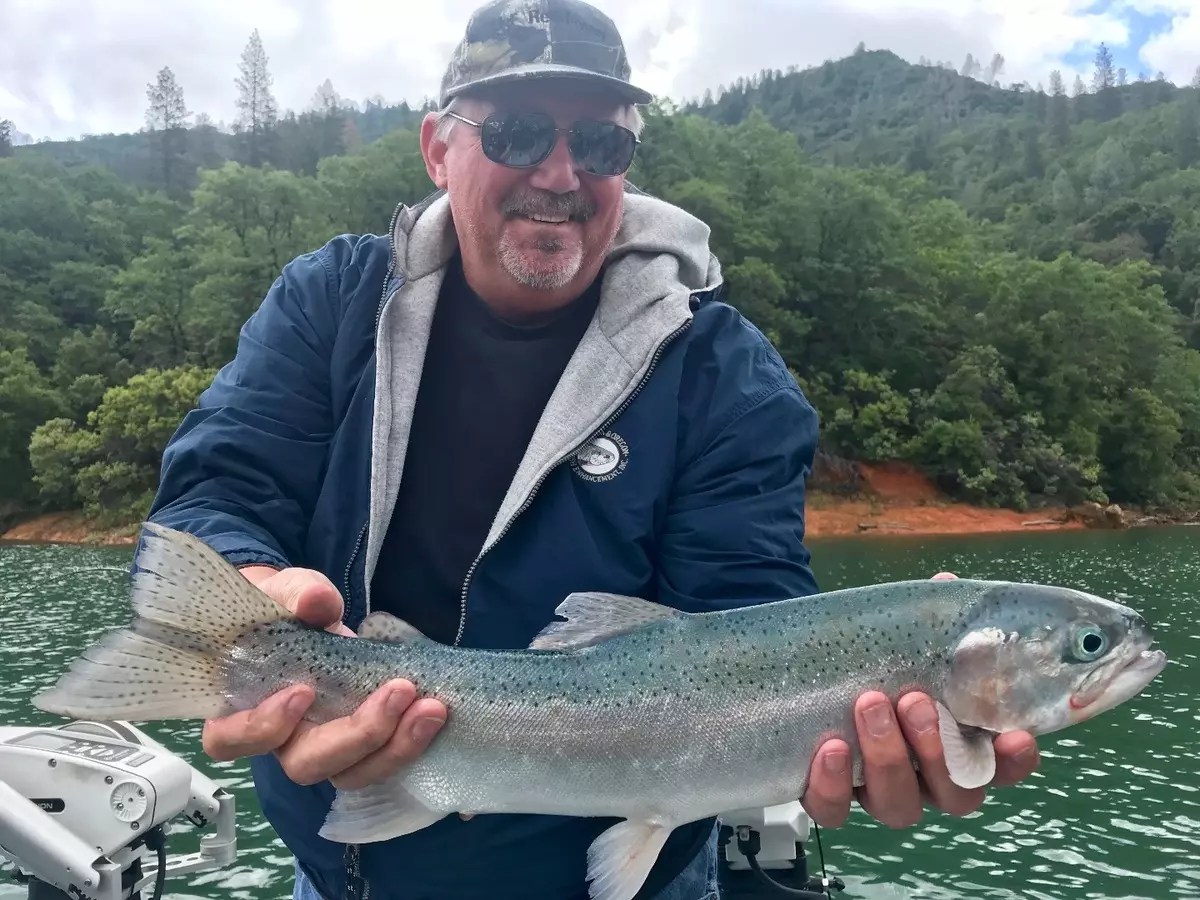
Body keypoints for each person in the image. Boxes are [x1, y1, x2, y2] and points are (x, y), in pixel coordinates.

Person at [140, 1, 1041, 897]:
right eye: (519, 132)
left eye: (601, 146)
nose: (561, 172)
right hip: (342, 871)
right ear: (437, 148)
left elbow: (746, 609)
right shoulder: (331, 302)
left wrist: (869, 690)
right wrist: (252, 582)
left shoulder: (722, 374)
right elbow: (218, 490)